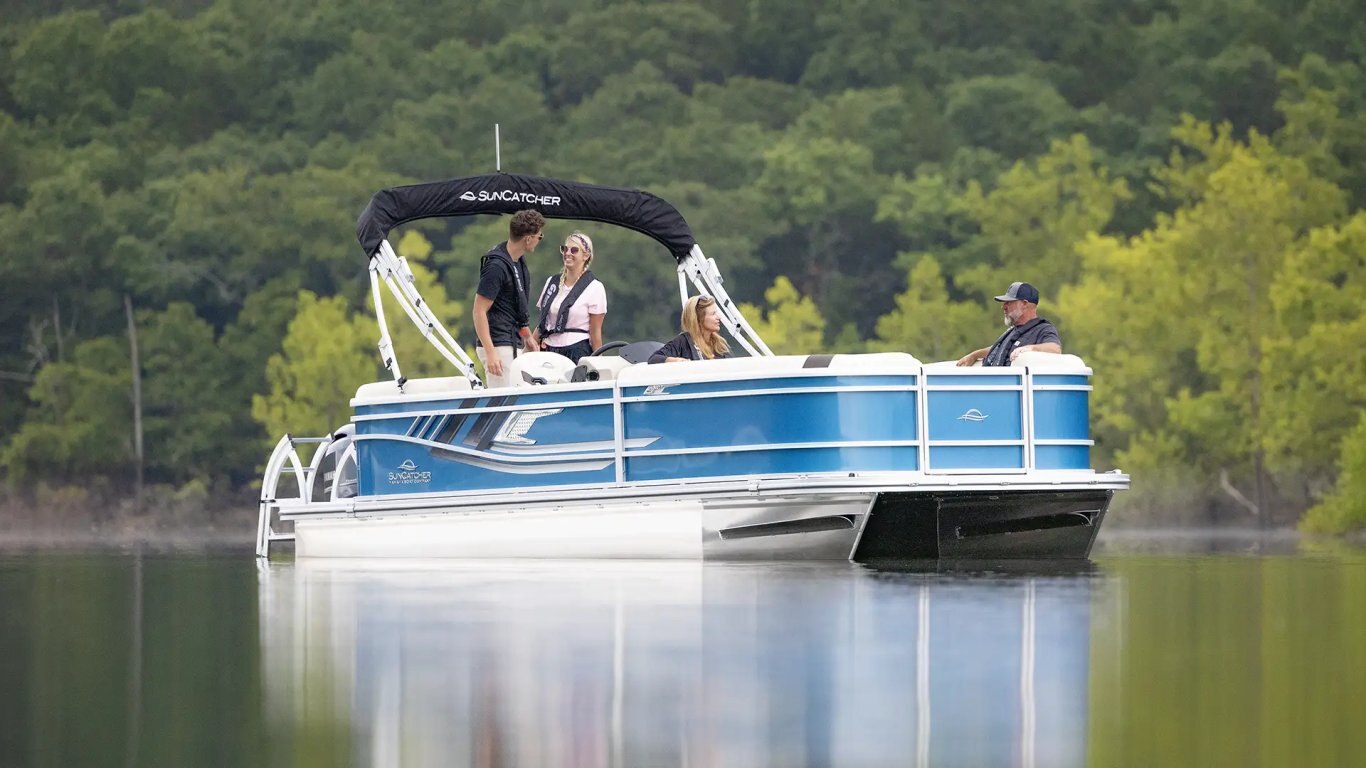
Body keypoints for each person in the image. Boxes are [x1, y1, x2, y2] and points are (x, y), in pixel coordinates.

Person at [473, 209, 545, 387]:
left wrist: (527, 336)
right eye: (539, 236)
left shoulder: (517, 261)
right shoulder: (497, 266)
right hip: (498, 344)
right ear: (528, 239)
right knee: (504, 400)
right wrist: (490, 352)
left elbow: (513, 307)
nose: (539, 240)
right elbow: (479, 311)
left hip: (511, 340)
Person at [529, 231, 607, 363]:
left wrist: (599, 362)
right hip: (549, 350)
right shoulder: (552, 282)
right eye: (565, 249)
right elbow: (543, 322)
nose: (568, 253)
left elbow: (595, 332)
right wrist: (527, 349)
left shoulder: (595, 287)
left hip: (576, 349)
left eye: (574, 250)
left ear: (586, 255)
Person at [957, 281, 1062, 367]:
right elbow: (999, 349)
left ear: (1024, 304)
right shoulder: (1013, 331)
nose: (1003, 307)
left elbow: (1055, 348)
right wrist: (974, 355)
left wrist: (1032, 349)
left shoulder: (1043, 329)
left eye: (1009, 302)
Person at [649, 295, 730, 363]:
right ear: (698, 319)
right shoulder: (683, 342)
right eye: (713, 314)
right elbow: (654, 359)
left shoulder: (720, 344)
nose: (719, 317)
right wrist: (676, 360)